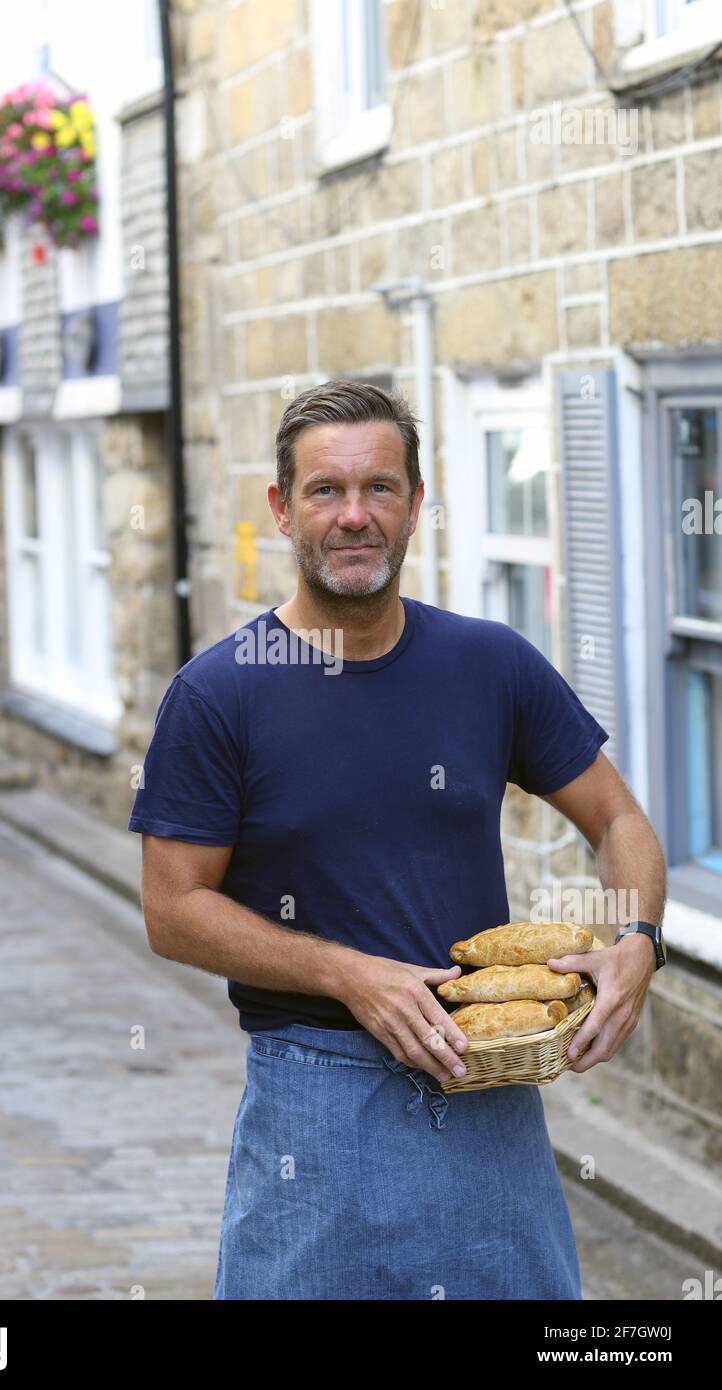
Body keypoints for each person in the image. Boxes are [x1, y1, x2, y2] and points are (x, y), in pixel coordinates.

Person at [127, 378, 666, 1301]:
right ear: (282, 508)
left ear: (418, 503)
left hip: (486, 1093)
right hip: (313, 1102)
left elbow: (618, 821)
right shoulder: (219, 695)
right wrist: (350, 973)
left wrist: (637, 942)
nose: (353, 516)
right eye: (325, 491)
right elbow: (173, 910)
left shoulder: (489, 662)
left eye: (380, 487)